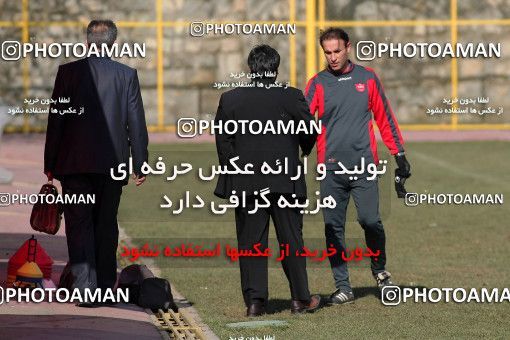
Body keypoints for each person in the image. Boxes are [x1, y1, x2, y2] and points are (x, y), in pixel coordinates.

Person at [44, 20, 148, 305]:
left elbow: (57, 121)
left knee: (79, 225)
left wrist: (50, 162)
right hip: (112, 163)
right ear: (113, 43)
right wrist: (140, 162)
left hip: (73, 163)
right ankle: (104, 286)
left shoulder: (67, 73)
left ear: (88, 41)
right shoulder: (126, 75)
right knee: (105, 223)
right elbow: (135, 123)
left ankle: (85, 289)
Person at [305, 28, 411, 304]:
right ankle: (343, 287)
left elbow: (384, 118)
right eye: (327, 52)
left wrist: (398, 153)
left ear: (348, 47)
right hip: (330, 170)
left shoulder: (367, 78)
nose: (332, 57)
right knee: (332, 228)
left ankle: (380, 272)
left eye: (336, 51)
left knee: (370, 221)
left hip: (364, 166)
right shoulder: (317, 83)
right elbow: (302, 123)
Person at [214, 45, 321, 316]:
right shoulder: (292, 96)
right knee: (291, 240)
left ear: (251, 68)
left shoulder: (231, 99)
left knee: (251, 243)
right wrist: (302, 149)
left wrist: (235, 168)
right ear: (276, 68)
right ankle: (300, 299)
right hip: (286, 178)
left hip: (247, 182)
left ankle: (255, 302)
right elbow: (310, 131)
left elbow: (223, 141)